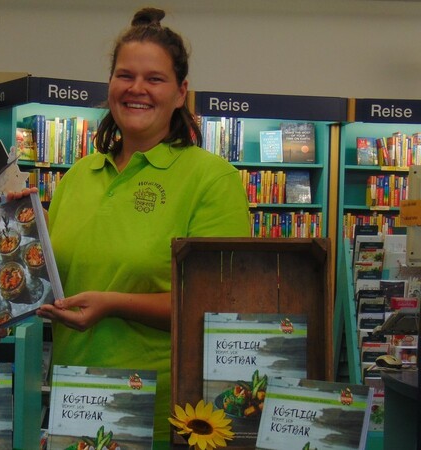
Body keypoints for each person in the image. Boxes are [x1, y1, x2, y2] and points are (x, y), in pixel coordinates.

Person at [35, 7, 251, 448]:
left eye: (154, 79)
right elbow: (50, 281)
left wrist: (115, 304)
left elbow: (223, 309)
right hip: (74, 405)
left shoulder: (211, 179)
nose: (137, 89)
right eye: (124, 75)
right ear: (110, 85)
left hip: (160, 417)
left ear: (180, 92)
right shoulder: (77, 176)